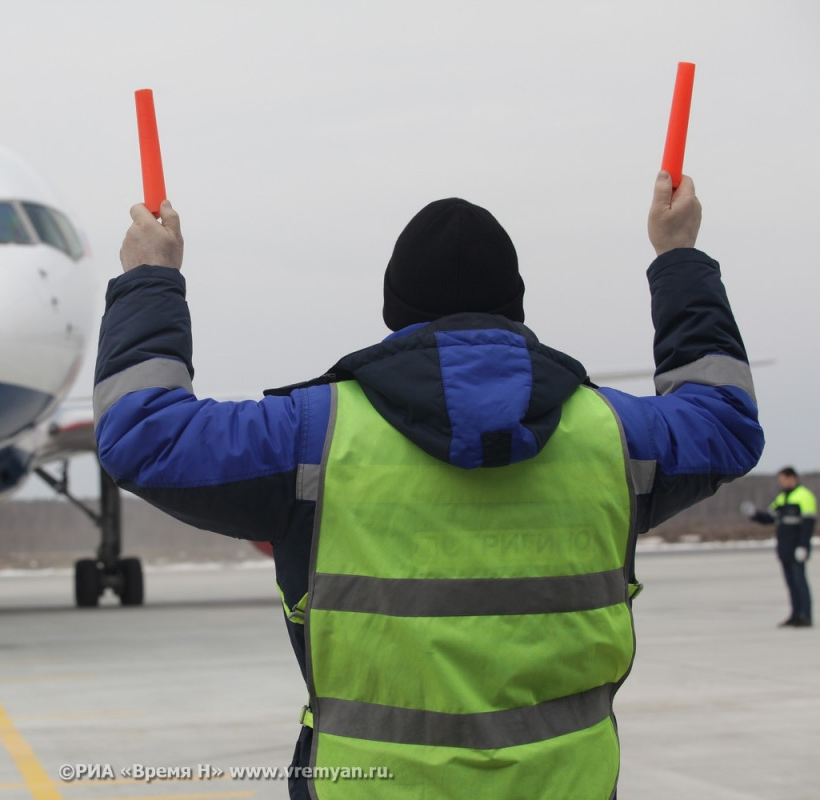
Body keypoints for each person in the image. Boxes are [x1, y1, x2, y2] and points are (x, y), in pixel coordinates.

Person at [93, 171, 763, 799]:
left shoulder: (311, 437)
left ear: (395, 310)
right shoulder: (614, 438)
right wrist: (678, 257)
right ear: (515, 305)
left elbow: (146, 435)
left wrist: (151, 278)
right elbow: (723, 421)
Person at [744, 467, 815, 627]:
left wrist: (803, 546)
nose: (781, 483)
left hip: (798, 548)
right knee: (790, 583)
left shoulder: (804, 496)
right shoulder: (782, 498)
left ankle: (806, 615)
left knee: (800, 582)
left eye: (783, 479)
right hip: (785, 548)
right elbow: (770, 517)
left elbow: (808, 524)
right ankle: (795, 614)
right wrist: (754, 514)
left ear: (792, 478)